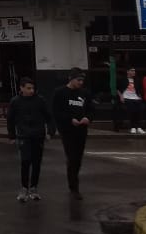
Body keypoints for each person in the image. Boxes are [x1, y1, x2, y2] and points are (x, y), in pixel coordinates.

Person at [6, 77, 53, 202]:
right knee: (25, 161)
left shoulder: (40, 100)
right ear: (21, 88)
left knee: (37, 162)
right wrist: (11, 135)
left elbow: (49, 117)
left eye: (33, 88)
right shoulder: (15, 101)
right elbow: (10, 119)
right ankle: (24, 188)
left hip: (38, 135)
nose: (31, 90)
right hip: (23, 135)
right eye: (28, 88)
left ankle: (34, 188)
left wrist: (50, 132)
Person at [51, 67, 93, 200]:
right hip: (68, 130)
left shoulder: (85, 93)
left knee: (78, 159)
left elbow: (91, 109)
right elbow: (56, 111)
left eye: (82, 80)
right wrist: (69, 119)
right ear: (71, 79)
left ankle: (74, 183)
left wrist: (88, 118)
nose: (81, 82)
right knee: (72, 157)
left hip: (81, 130)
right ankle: (74, 187)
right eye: (78, 80)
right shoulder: (60, 93)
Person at [116, 67, 145, 133]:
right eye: (132, 71)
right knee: (132, 109)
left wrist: (140, 96)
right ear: (127, 71)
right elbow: (117, 89)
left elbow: (140, 90)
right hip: (126, 97)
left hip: (135, 97)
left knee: (140, 108)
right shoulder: (122, 79)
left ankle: (139, 127)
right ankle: (133, 127)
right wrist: (121, 97)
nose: (134, 72)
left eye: (134, 71)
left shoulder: (137, 80)